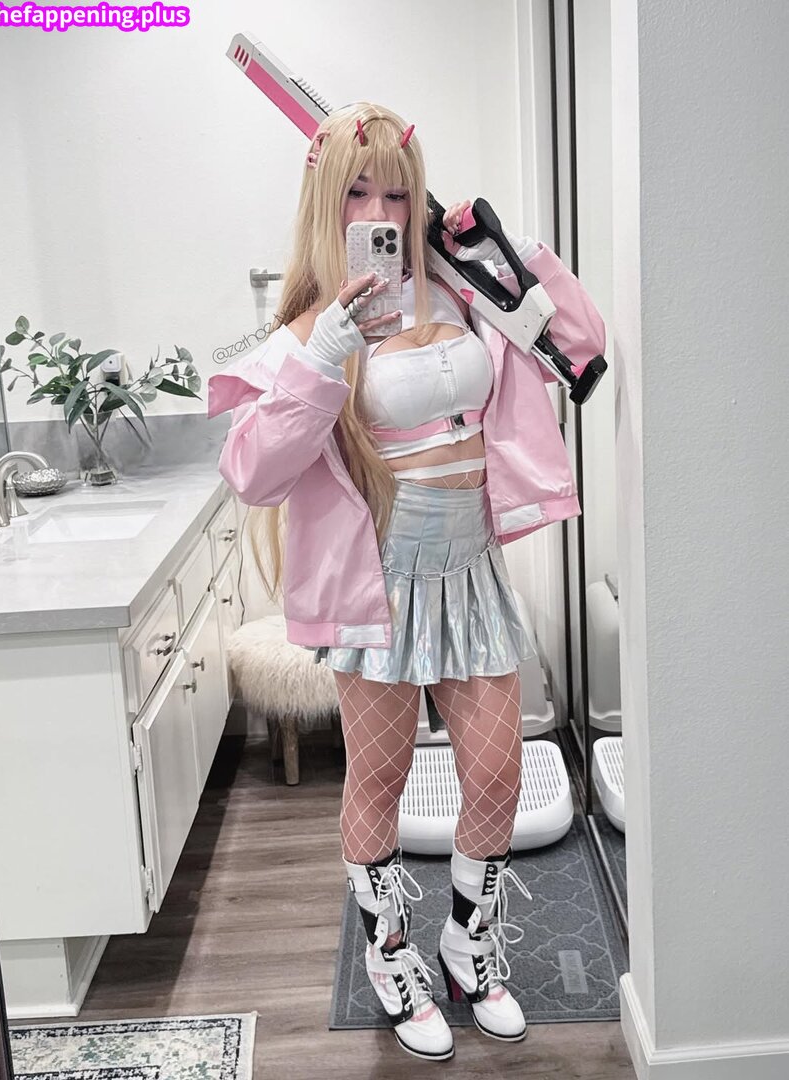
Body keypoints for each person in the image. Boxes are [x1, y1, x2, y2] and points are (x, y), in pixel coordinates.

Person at [209, 102, 606, 1062]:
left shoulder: (463, 288)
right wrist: (328, 354)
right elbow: (253, 473)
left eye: (398, 191)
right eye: (360, 192)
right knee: (379, 779)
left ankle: (469, 946)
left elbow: (581, 346)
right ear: (327, 202)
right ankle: (391, 955)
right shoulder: (309, 329)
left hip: (470, 572)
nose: (382, 211)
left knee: (498, 773)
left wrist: (502, 253)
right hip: (379, 586)